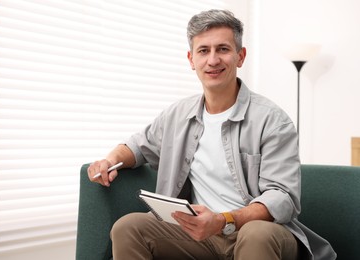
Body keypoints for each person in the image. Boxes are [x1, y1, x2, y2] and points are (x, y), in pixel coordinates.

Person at [87, 9, 336, 260]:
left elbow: (283, 198)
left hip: (255, 232)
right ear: (191, 59)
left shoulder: (273, 120)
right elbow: (137, 147)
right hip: (200, 236)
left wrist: (223, 220)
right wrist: (110, 160)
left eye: (223, 49)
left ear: (240, 56)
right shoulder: (176, 115)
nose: (213, 60)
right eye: (204, 50)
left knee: (256, 234)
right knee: (128, 227)